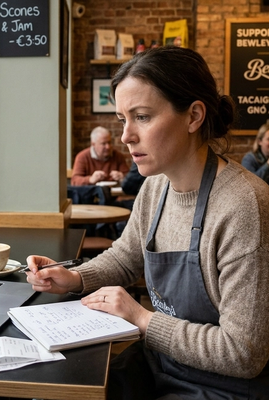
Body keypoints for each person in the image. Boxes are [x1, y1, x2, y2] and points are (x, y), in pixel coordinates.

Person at [25, 46, 269, 399]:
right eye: (124, 120)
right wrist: (76, 278)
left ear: (193, 116)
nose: (125, 136)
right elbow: (126, 257)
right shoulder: (156, 186)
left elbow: (243, 353)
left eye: (141, 116)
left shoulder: (243, 206)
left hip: (224, 387)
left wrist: (141, 318)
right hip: (163, 364)